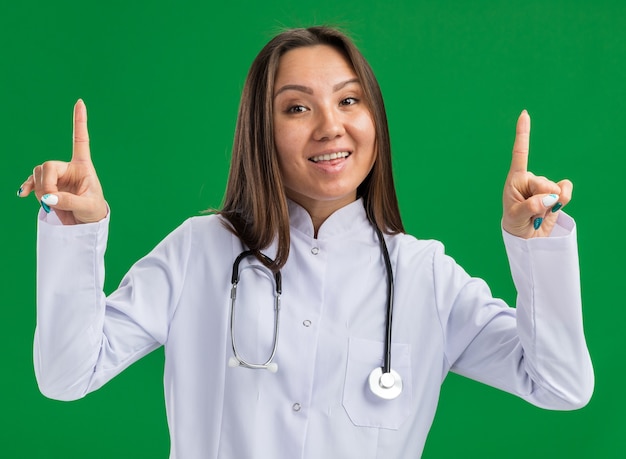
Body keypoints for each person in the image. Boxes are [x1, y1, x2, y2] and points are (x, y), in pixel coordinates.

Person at [18, 26, 593, 458]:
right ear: (260, 131)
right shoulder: (199, 250)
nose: (330, 126)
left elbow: (561, 384)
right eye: (297, 107)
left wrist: (533, 245)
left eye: (349, 100)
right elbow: (68, 375)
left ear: (375, 120)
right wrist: (76, 233)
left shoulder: (425, 276)